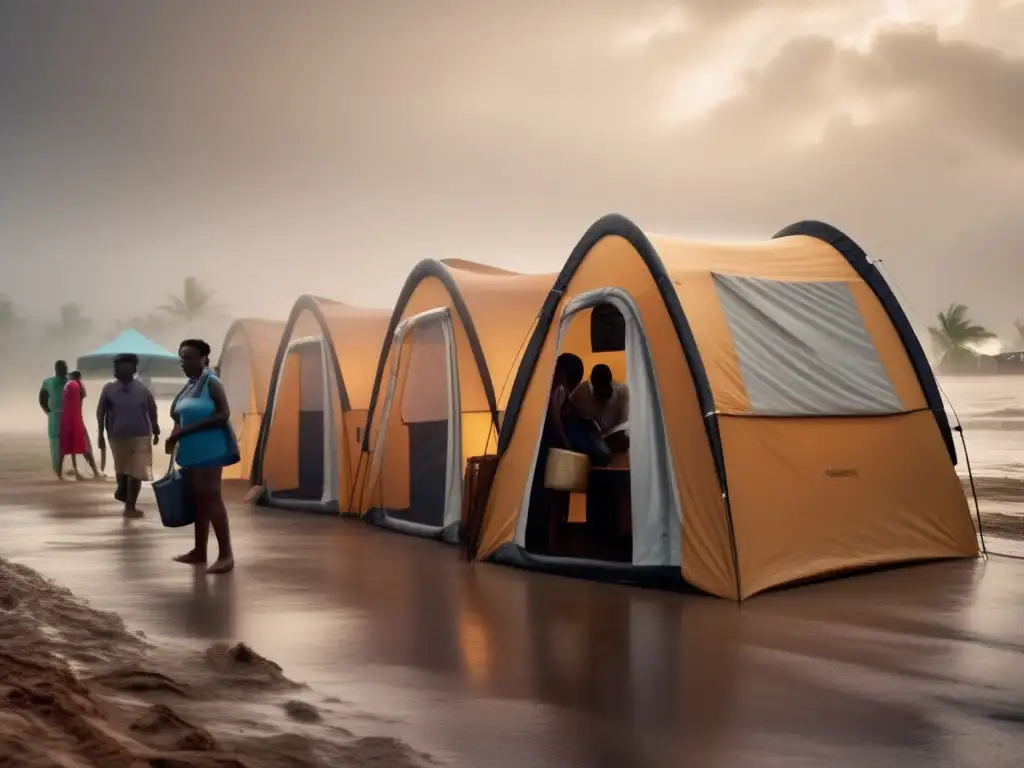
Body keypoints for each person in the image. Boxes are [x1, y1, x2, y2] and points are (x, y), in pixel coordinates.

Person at [167, 338, 238, 575]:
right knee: (199, 500)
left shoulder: (212, 382)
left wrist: (184, 431)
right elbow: (177, 414)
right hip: (191, 451)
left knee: (211, 498)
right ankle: (199, 551)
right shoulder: (190, 384)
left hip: (210, 449)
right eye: (181, 358)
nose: (183, 362)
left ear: (203, 359)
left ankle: (226, 555)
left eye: (188, 357)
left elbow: (222, 414)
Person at [97, 353, 160, 518]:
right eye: (118, 366)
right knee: (122, 471)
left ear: (133, 369)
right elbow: (101, 412)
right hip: (117, 437)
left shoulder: (142, 390)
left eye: (126, 365)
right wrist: (100, 435)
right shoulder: (108, 389)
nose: (121, 369)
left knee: (137, 472)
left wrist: (156, 427)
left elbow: (152, 409)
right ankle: (122, 492)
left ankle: (130, 507)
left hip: (141, 436)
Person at [570, 363, 629, 452]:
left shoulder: (622, 392)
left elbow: (624, 424)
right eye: (599, 390)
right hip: (590, 439)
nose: (602, 393)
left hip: (615, 438)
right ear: (593, 386)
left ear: (610, 383)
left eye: (604, 389)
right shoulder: (580, 392)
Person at [58, 371, 101, 480]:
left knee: (66, 448)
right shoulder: (78, 387)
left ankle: (62, 473)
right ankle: (94, 472)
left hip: (69, 420)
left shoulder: (71, 386)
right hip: (77, 420)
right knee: (85, 447)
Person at [39, 360, 69, 477]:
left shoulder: (67, 381)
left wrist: (47, 410)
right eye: (63, 368)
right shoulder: (51, 382)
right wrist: (48, 411)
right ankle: (58, 471)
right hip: (56, 416)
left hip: (62, 416)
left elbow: (42, 398)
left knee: (61, 443)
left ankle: (62, 470)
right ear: (57, 369)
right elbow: (42, 398)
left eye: (65, 368)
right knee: (56, 443)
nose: (64, 370)